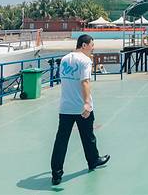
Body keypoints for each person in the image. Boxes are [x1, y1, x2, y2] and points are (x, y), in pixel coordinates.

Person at [50, 35, 110, 185]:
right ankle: (93, 160)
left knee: (61, 140)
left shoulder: (65, 59)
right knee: (88, 136)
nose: (93, 48)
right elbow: (85, 82)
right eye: (91, 45)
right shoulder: (85, 61)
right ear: (84, 45)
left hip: (65, 107)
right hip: (81, 107)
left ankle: (56, 173)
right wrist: (87, 103)